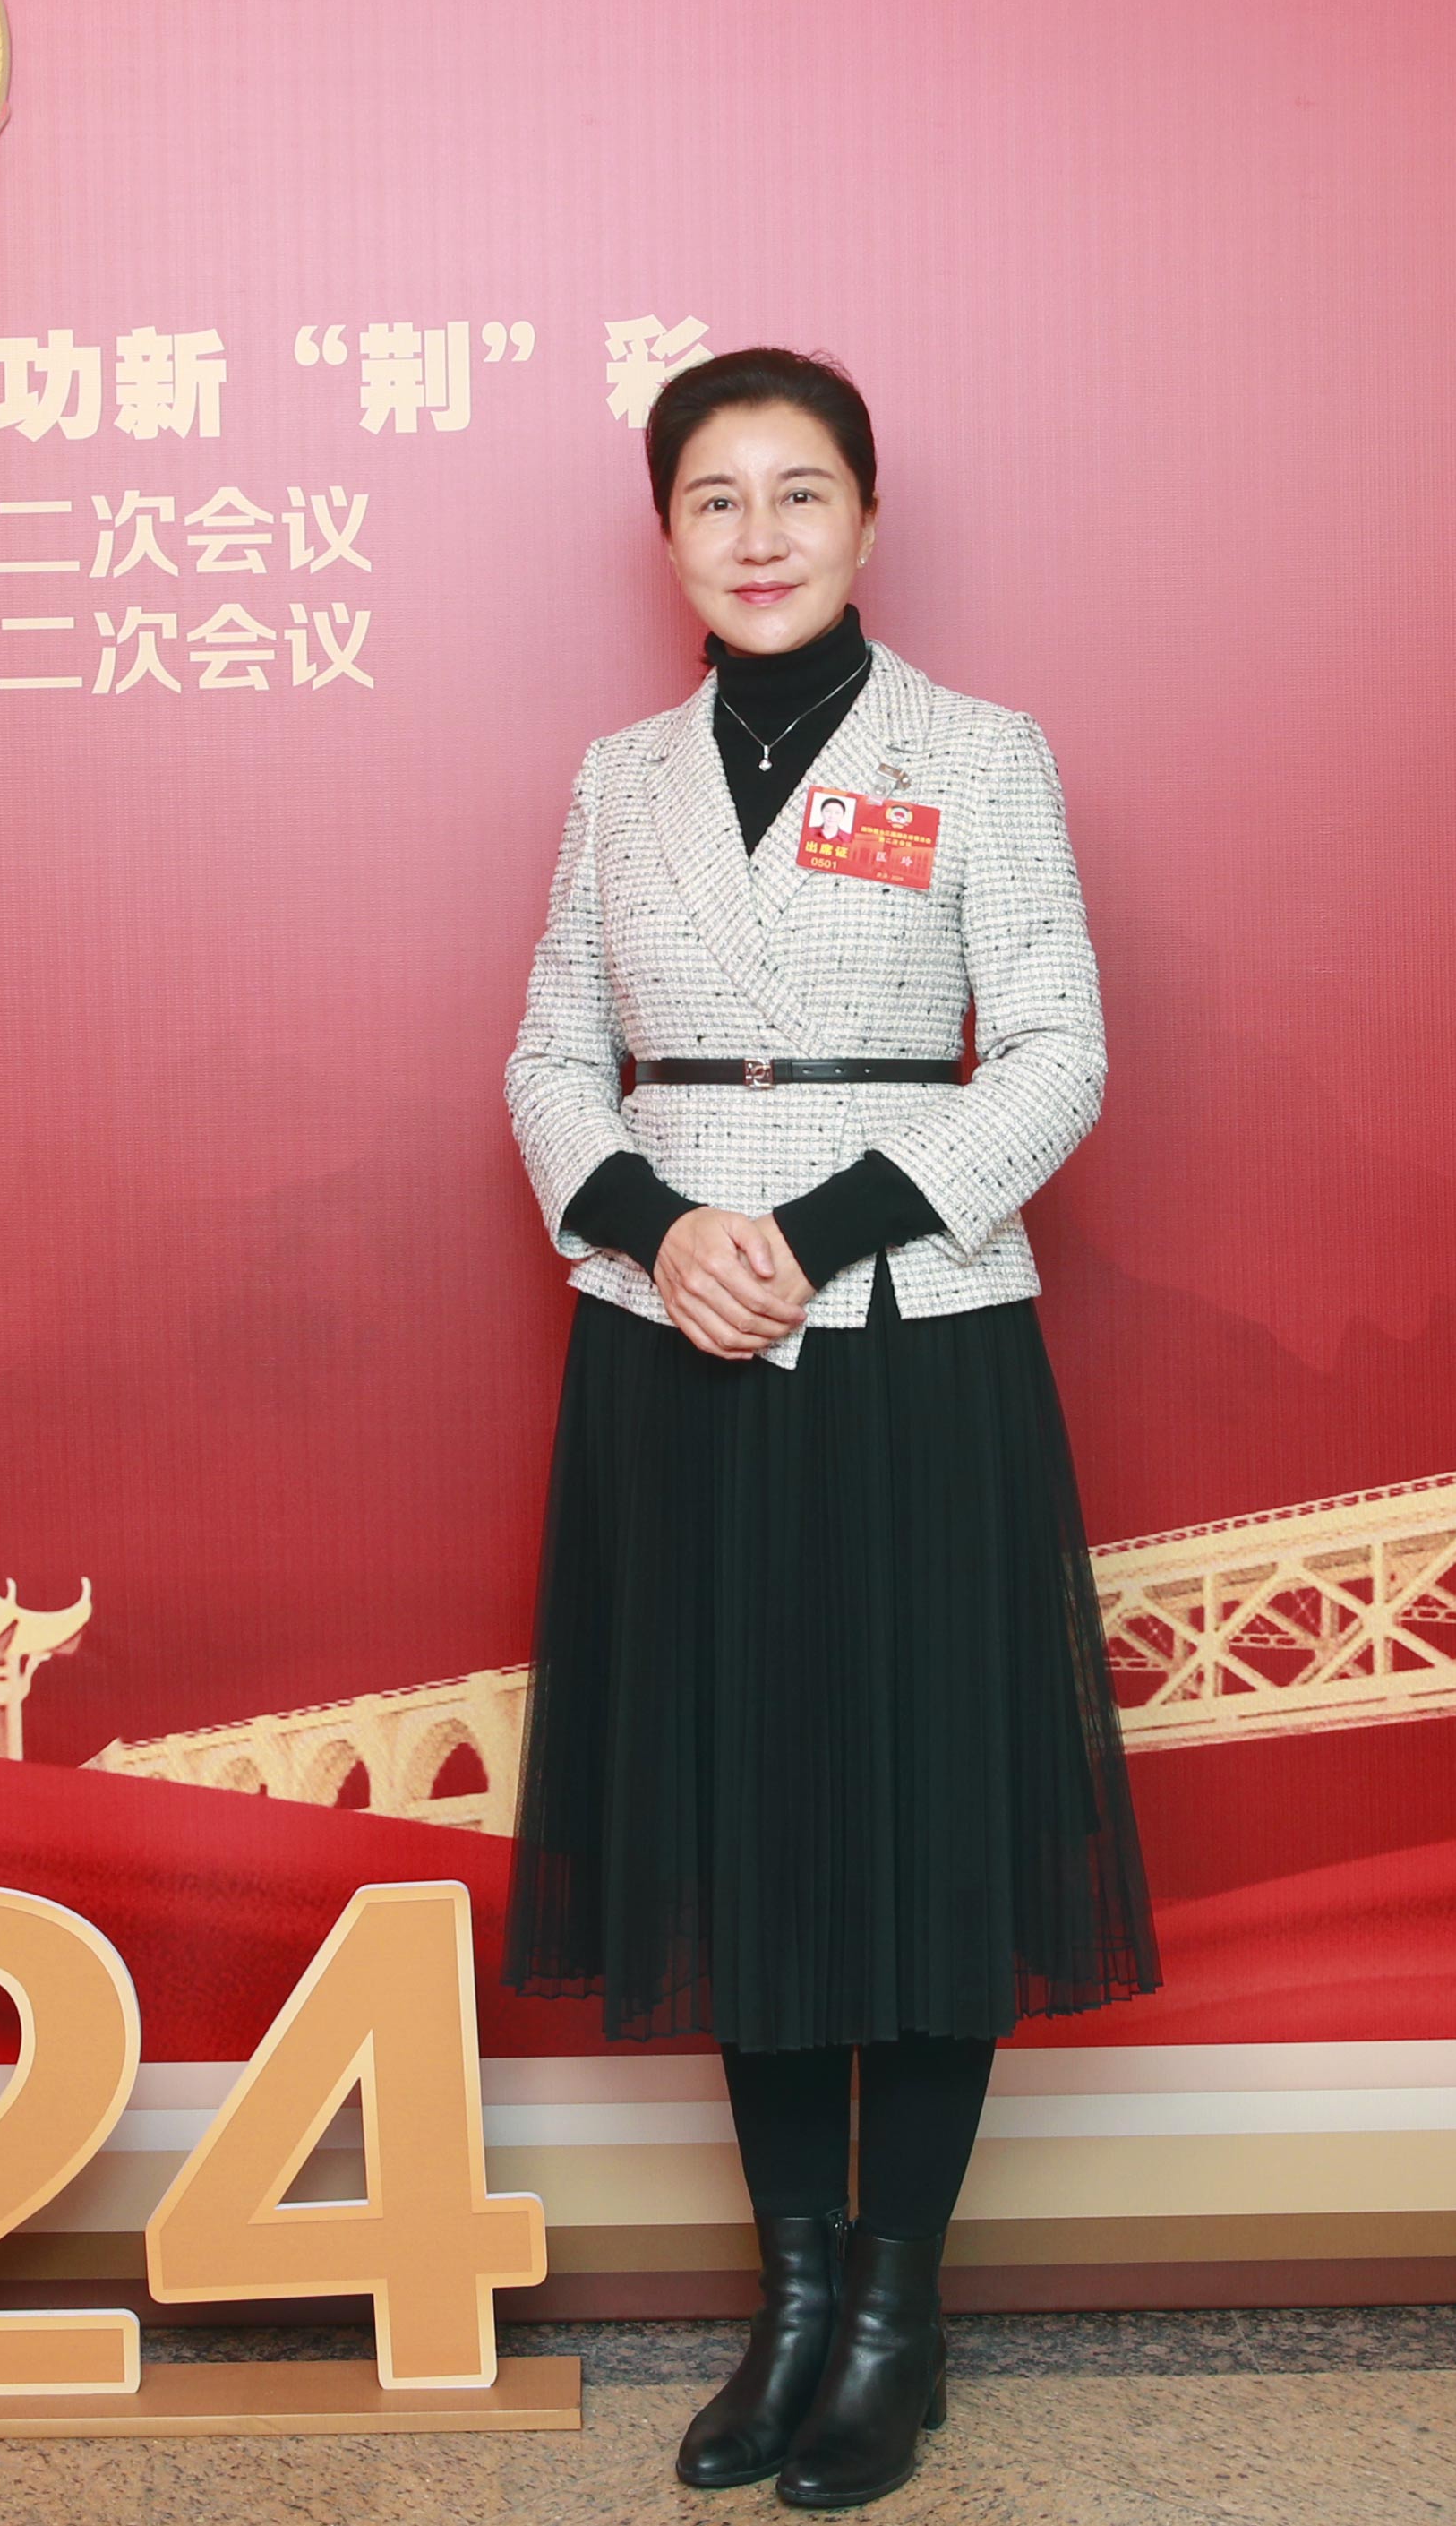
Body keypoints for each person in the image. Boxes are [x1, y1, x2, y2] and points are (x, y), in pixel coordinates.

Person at [502, 348, 1158, 2507]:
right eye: (714, 497)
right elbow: (547, 1061)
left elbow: (1052, 1053)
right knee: (745, 1816)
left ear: (869, 520)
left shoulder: (977, 751)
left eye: (799, 491)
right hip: (672, 1330)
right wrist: (656, 1227)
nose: (759, 533)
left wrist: (820, 1229)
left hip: (907, 1333)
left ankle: (893, 2311)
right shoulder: (615, 778)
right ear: (664, 535)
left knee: (920, 1808)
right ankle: (787, 2297)